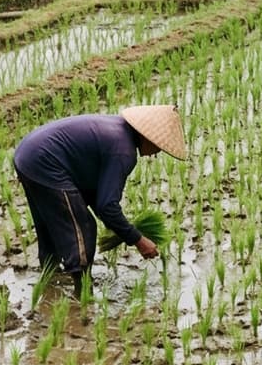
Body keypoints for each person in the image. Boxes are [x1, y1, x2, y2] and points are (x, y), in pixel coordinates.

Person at [12, 104, 186, 298]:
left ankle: (49, 283)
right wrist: (138, 239)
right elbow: (107, 206)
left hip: (27, 155)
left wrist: (122, 229)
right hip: (44, 162)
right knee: (82, 226)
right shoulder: (123, 151)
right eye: (158, 145)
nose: (156, 152)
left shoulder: (118, 130)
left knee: (52, 223)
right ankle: (83, 292)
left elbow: (96, 196)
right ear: (147, 135)